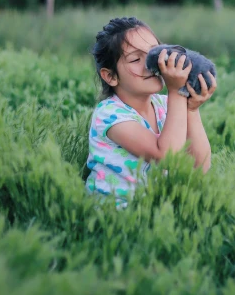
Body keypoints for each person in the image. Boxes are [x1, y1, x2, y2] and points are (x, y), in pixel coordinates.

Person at [86, 16, 216, 206]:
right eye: (136, 59)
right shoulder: (109, 114)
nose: (151, 64)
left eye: (154, 52)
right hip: (116, 214)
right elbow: (165, 156)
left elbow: (200, 166)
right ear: (111, 76)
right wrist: (177, 91)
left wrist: (191, 109)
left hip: (155, 211)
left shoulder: (165, 105)